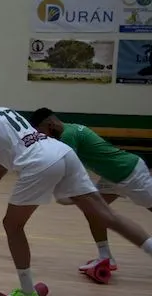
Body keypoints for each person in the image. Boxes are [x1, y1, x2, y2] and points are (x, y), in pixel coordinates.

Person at [0, 84, 152, 296]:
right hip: (61, 152)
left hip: (39, 162)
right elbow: (16, 140)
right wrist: (2, 165)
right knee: (106, 215)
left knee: (12, 225)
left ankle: (28, 293)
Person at [30, 109, 152, 271]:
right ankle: (105, 257)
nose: (43, 135)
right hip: (111, 176)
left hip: (129, 172)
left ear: (49, 124)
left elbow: (65, 167)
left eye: (41, 131)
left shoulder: (68, 136)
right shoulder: (70, 129)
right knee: (94, 212)